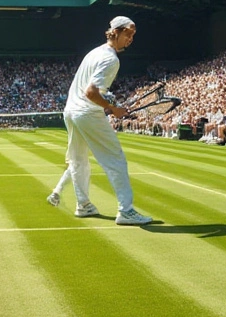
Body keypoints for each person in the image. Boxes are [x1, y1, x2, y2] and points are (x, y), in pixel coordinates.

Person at [48, 16, 152, 226]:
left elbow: (90, 89)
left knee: (78, 161)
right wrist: (113, 109)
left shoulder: (94, 52)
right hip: (87, 113)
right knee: (116, 160)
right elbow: (91, 92)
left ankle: (84, 205)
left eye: (133, 35)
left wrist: (108, 101)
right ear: (116, 32)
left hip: (71, 111)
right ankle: (126, 210)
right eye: (128, 34)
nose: (130, 39)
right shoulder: (111, 59)